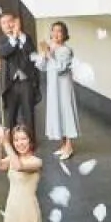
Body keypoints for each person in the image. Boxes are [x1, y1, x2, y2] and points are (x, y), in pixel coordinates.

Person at [36, 20, 80, 161]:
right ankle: (63, 144)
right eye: (53, 30)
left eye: (59, 31)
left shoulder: (66, 50)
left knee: (66, 112)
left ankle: (69, 146)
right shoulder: (51, 48)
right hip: (53, 86)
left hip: (63, 86)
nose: (56, 34)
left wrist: (50, 54)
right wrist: (44, 54)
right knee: (57, 112)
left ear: (64, 34)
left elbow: (61, 68)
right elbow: (41, 66)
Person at [0, 12, 40, 139]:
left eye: (10, 21)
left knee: (28, 113)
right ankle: (10, 140)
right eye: (4, 23)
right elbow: (4, 52)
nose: (8, 25)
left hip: (26, 81)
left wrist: (20, 34)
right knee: (10, 115)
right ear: (1, 26)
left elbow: (31, 51)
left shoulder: (25, 37)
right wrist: (14, 36)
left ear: (15, 22)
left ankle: (30, 141)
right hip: (10, 83)